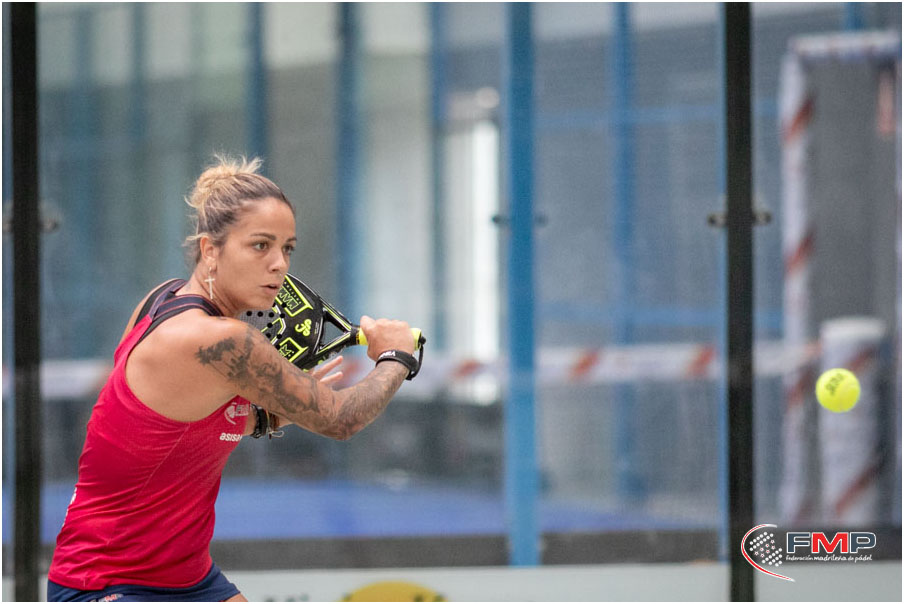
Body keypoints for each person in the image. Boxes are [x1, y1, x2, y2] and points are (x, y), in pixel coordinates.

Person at [47, 156, 418, 602]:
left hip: (189, 577)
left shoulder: (161, 299)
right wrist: (396, 356)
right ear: (210, 251)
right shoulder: (221, 340)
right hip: (106, 582)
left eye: (287, 248)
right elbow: (341, 420)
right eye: (260, 246)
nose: (279, 264)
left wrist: (270, 417)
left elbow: (164, 427)